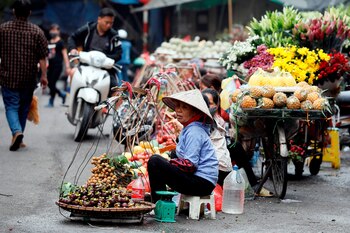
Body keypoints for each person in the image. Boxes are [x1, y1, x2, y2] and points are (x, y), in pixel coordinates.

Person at [147, 89, 218, 203]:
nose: (178, 110)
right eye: (178, 106)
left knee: (155, 162)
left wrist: (168, 164)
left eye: (184, 107)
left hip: (201, 183)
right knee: (163, 159)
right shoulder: (190, 128)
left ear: (195, 112)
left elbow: (190, 165)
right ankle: (160, 202)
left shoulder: (194, 131)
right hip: (201, 181)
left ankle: (158, 203)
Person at [202, 88, 273, 197]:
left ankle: (254, 185)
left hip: (220, 162)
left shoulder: (218, 119)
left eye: (210, 103)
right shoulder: (201, 121)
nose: (207, 106)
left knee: (236, 147)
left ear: (216, 105)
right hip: (207, 165)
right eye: (204, 103)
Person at [0, 0, 48, 151]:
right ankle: (19, 137)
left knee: (11, 106)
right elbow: (42, 58)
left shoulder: (3, 29)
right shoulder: (37, 32)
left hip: (8, 76)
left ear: (13, 11)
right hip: (28, 78)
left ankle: (16, 132)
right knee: (23, 108)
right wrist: (44, 76)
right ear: (30, 13)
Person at [67, 8, 122, 91]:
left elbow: (118, 53)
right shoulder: (88, 29)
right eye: (106, 22)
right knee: (72, 73)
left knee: (116, 90)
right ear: (99, 19)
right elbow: (73, 38)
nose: (109, 25)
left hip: (105, 69)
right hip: (86, 64)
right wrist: (73, 49)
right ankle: (71, 101)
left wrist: (104, 58)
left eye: (111, 23)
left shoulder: (114, 36)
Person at [46, 24, 70, 107]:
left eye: (55, 30)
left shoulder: (61, 42)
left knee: (52, 83)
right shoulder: (49, 42)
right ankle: (61, 94)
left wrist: (67, 67)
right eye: (52, 30)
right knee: (48, 83)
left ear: (58, 31)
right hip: (50, 66)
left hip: (57, 66)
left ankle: (51, 101)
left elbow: (65, 55)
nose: (53, 32)